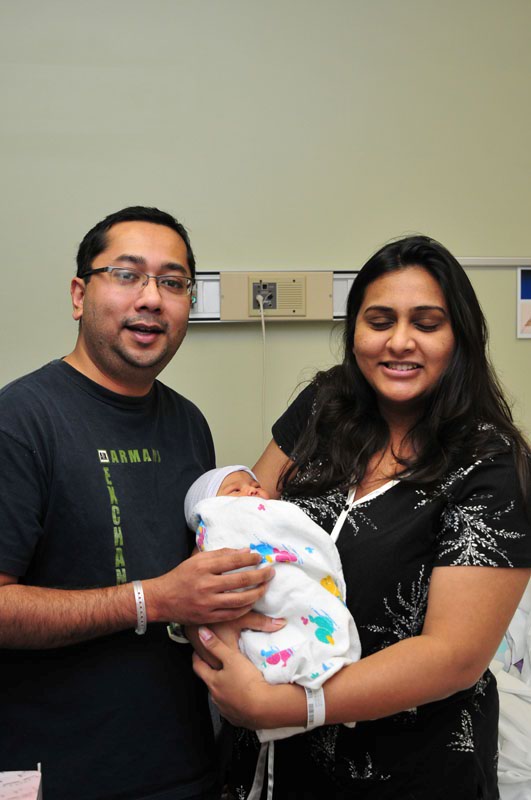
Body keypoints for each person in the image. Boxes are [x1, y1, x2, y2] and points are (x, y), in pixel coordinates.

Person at [192, 235, 531, 800]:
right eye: (380, 321)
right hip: (270, 758)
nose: (399, 341)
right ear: (355, 332)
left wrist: (290, 705)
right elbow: (244, 519)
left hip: (408, 772)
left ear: (460, 338)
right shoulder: (324, 406)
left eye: (426, 323)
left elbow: (453, 657)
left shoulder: (490, 466)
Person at [0, 206, 276, 800]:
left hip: (183, 764)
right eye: (126, 275)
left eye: (173, 282)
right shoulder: (21, 421)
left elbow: (194, 586)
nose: (151, 298)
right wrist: (152, 599)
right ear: (79, 296)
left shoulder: (187, 423)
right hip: (61, 772)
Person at [184, 466, 361, 743]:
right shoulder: (217, 525)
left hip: (292, 582)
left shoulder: (276, 513)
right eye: (235, 490)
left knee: (304, 601)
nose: (251, 490)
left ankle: (316, 666)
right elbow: (204, 581)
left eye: (255, 485)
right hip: (253, 601)